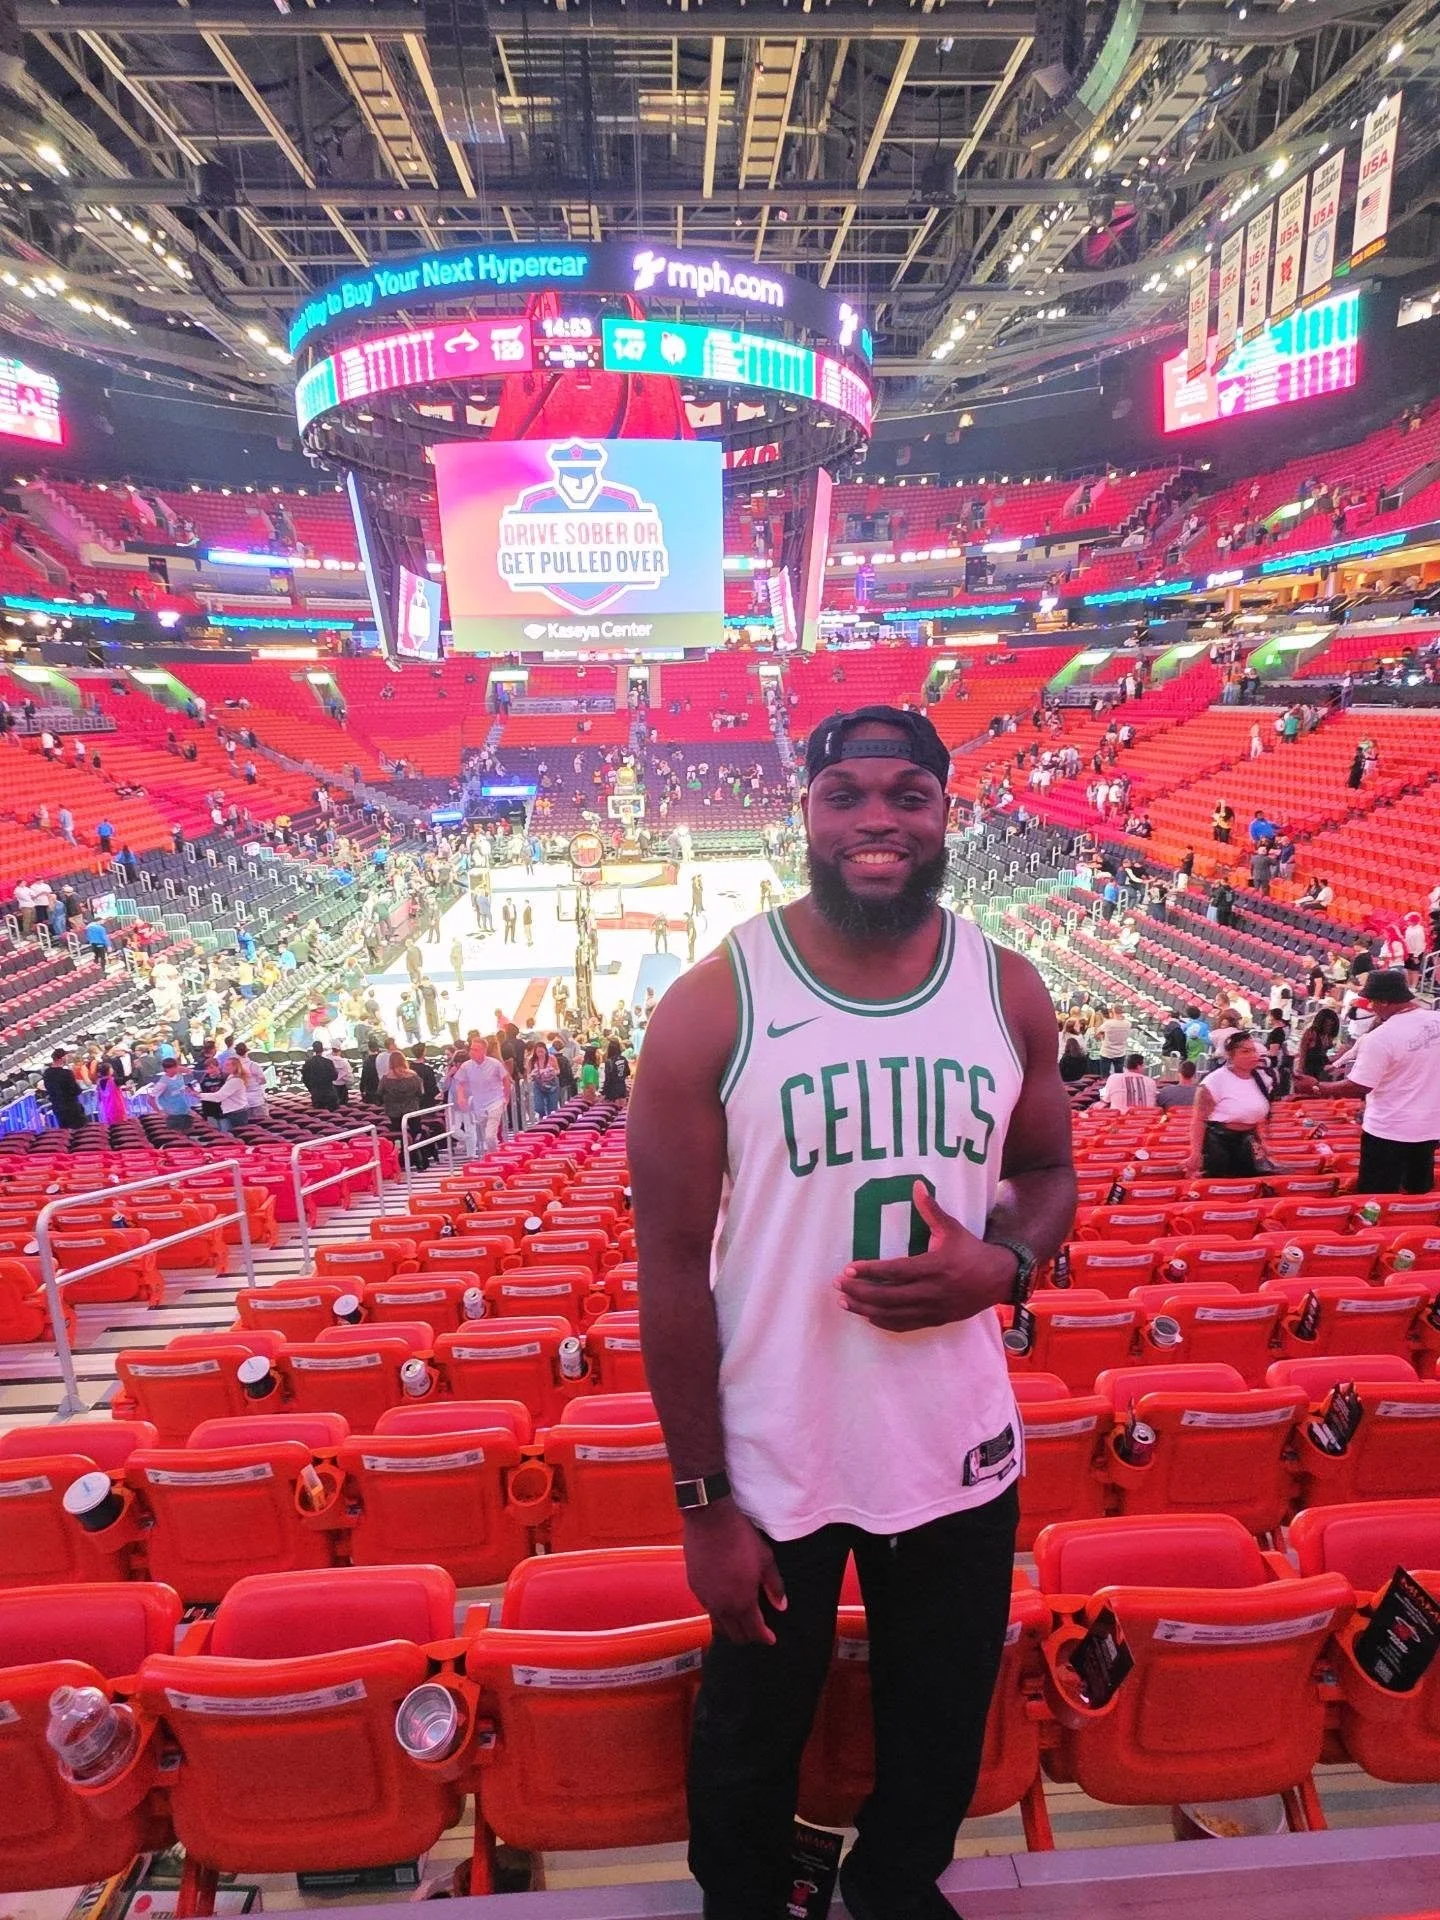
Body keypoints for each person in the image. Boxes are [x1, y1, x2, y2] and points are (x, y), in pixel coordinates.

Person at [627, 704, 1076, 1920]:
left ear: (945, 817)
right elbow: (667, 1266)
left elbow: (1047, 1176)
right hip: (778, 1447)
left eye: (907, 795)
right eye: (847, 796)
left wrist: (1010, 1264)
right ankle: (743, 1898)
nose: (877, 819)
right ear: (809, 817)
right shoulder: (715, 1002)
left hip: (957, 1441)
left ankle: (892, 1887)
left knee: (938, 1721)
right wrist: (701, 1503)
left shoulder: (1009, 990)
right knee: (750, 1729)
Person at [1294, 969, 1440, 1193]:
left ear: (1383, 1001)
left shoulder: (1380, 1037)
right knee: (1416, 1196)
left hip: (1388, 1130)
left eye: (1373, 1002)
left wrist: (1315, 1087)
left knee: (1377, 1197)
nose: (1371, 1008)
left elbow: (1359, 1085)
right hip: (1430, 1129)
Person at [1189, 1032, 1273, 1177]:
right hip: (1219, 1142)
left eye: (1253, 1050)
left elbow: (1259, 1116)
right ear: (1230, 1055)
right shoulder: (1214, 1081)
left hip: (1249, 1141)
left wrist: (1262, 1142)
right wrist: (1195, 1153)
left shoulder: (1263, 1079)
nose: (1253, 1055)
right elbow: (1199, 1119)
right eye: (1245, 1051)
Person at [447, 1037, 509, 1156]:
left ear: (484, 1051)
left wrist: (506, 1097)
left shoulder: (495, 1064)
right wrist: (460, 1097)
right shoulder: (466, 1066)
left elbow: (506, 1079)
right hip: (479, 1104)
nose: (472, 1052)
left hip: (495, 1102)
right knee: (486, 1135)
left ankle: (494, 1156)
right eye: (471, 1049)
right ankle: (494, 1155)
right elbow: (460, 1082)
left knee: (490, 1135)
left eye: (476, 1050)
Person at [377, 1049, 426, 1136]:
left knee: (398, 1134)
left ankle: (401, 1148)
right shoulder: (414, 1076)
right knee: (416, 1131)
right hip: (412, 1109)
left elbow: (379, 1093)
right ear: (404, 1060)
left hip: (393, 1111)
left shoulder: (385, 1078)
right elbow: (421, 1093)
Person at [42, 1047, 87, 1129]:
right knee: (80, 1130)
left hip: (57, 1107)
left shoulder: (47, 1073)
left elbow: (48, 1088)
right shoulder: (66, 1073)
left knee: (65, 1131)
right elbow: (76, 1090)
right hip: (71, 1107)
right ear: (62, 1058)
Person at [154, 1058, 197, 1133]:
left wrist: (189, 1071)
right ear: (166, 1069)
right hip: (173, 1114)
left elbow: (183, 1069)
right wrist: (159, 1111)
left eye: (175, 1067)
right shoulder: (162, 1083)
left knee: (189, 1135)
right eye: (172, 1068)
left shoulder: (178, 1073)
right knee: (177, 1137)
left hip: (185, 1111)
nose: (175, 1069)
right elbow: (150, 1098)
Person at [300, 1040, 339, 1111]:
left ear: (313, 1050)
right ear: (322, 1049)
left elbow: (305, 1079)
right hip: (330, 1095)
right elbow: (335, 1077)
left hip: (316, 1096)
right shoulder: (328, 1062)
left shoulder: (308, 1063)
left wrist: (311, 1089)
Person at [217, 1058, 252, 1134]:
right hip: (233, 1111)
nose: (225, 1066)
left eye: (227, 1065)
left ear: (235, 1066)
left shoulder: (236, 1080)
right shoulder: (231, 1077)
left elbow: (220, 1095)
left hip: (238, 1112)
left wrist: (199, 1095)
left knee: (239, 1133)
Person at [529, 1043, 560, 1118]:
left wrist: (552, 1072)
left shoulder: (551, 1058)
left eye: (542, 1051)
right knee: (538, 1106)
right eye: (538, 1052)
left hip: (552, 1083)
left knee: (552, 1107)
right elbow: (528, 1074)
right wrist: (533, 1074)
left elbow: (558, 1070)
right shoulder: (532, 1060)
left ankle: (551, 1122)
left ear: (545, 1051)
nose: (540, 1054)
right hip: (538, 1084)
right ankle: (542, 1117)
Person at [1097, 1005, 1130, 1075]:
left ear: (1113, 1012)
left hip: (1107, 1052)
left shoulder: (1108, 1023)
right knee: (1119, 1075)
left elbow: (1098, 1032)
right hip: (1120, 1052)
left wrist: (1102, 1037)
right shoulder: (1128, 1024)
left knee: (1105, 1076)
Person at [601, 1037, 631, 1103]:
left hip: (612, 1090)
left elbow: (608, 1078)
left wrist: (604, 1092)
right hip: (622, 1088)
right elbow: (628, 1072)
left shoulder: (609, 1061)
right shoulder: (623, 1059)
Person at [359, 1038, 384, 1104]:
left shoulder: (367, 1061)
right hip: (382, 1088)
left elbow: (364, 1077)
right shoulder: (382, 1059)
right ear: (378, 1048)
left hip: (371, 1090)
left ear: (369, 1048)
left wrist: (362, 1089)